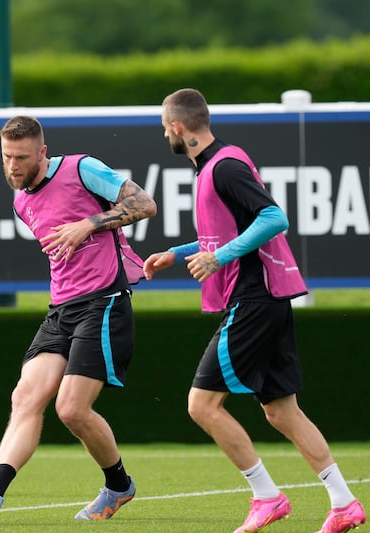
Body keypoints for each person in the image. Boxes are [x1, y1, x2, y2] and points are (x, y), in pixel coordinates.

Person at [143, 88, 366, 533]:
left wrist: (219, 258)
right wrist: (177, 253)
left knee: (202, 405)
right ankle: (344, 504)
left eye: (165, 126)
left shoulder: (223, 166)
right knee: (282, 412)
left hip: (255, 298)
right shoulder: (212, 166)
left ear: (179, 127)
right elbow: (227, 235)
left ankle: (267, 496)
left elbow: (273, 218)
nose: (164, 132)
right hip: (268, 297)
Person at [0, 115, 157, 521]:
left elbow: (144, 203)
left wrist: (86, 224)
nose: (13, 166)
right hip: (62, 310)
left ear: (43, 153)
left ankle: (119, 485)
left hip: (104, 302)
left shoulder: (82, 168)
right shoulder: (20, 200)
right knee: (25, 396)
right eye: (6, 157)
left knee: (71, 410)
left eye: (21, 157)